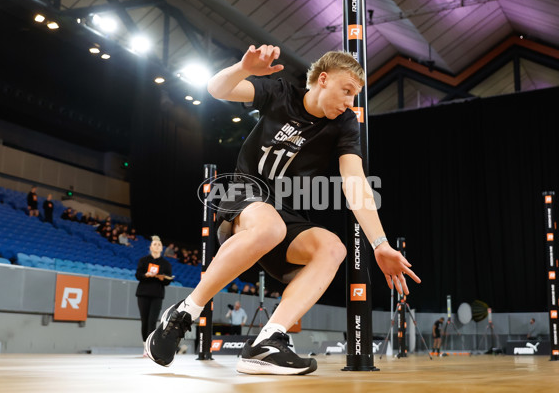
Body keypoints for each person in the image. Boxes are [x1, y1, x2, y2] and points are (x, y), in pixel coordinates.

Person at [144, 44, 420, 375]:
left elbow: (355, 182)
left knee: (332, 248)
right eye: (346, 91)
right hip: (245, 193)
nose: (350, 102)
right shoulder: (279, 93)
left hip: (285, 210)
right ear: (322, 79)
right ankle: (185, 311)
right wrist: (243, 68)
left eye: (355, 95)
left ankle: (267, 341)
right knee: (269, 226)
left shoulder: (345, 124)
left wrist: (380, 244)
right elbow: (216, 89)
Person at [135, 236, 173, 354]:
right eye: (155, 244)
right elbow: (138, 275)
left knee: (152, 321)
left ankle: (149, 346)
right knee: (144, 320)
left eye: (159, 244)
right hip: (143, 293)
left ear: (162, 248)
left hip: (157, 294)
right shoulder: (143, 260)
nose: (157, 246)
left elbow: (167, 281)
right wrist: (146, 275)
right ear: (151, 247)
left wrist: (162, 278)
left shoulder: (166, 264)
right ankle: (145, 345)